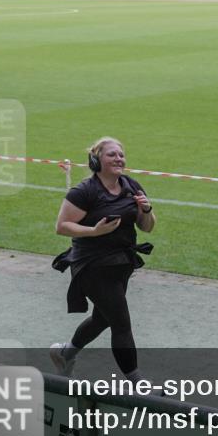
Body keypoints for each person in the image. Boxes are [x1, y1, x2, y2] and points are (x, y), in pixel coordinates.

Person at [50, 137, 156, 387]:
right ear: (97, 160)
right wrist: (94, 231)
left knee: (103, 319)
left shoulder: (131, 186)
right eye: (112, 155)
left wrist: (147, 210)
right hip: (92, 264)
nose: (119, 158)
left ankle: (65, 353)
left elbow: (147, 227)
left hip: (121, 262)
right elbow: (62, 227)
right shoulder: (84, 191)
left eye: (121, 154)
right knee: (121, 322)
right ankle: (137, 384)